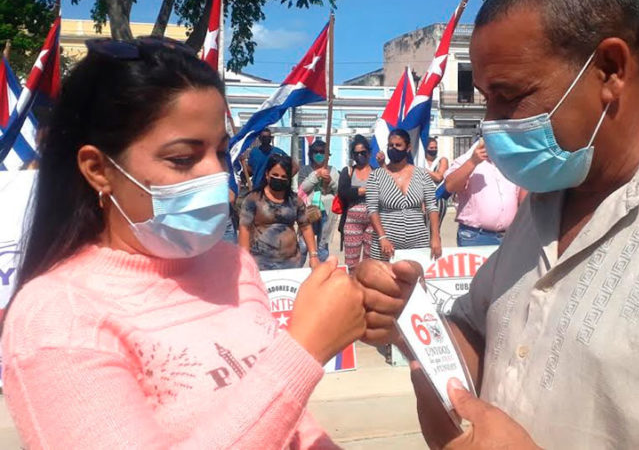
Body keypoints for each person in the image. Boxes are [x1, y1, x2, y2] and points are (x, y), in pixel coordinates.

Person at [356, 0, 639, 448]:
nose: (491, 123)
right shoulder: (543, 203)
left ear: (609, 69)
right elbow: (482, 336)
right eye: (483, 97)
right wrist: (416, 324)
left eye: (510, 94)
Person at [1, 37, 367, 449]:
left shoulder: (232, 266)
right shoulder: (57, 317)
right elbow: (282, 385)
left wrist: (366, 310)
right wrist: (304, 349)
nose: (215, 175)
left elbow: (294, 428)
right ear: (98, 169)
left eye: (221, 152)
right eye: (182, 158)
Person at [366, 129, 441, 261]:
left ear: (408, 148)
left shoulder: (422, 175)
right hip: (385, 246)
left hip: (418, 243)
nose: (393, 148)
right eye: (390, 145)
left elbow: (431, 207)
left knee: (416, 280)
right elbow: (372, 210)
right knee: (384, 280)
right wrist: (383, 238)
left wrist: (435, 235)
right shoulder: (376, 175)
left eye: (398, 145)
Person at [239, 154, 320, 270]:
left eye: (283, 177)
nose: (279, 179)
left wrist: (313, 255)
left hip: (291, 262)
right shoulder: (253, 199)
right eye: (275, 175)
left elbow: (306, 226)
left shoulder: (295, 200)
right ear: (267, 174)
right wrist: (244, 259)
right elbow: (244, 229)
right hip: (260, 263)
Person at [444, 137, 524, 246]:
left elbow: (522, 197)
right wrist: (473, 162)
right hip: (476, 237)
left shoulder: (511, 163)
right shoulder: (466, 160)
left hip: (510, 236)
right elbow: (450, 186)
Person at [337, 135, 374, 272]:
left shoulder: (376, 172)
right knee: (351, 262)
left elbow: (382, 192)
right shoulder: (348, 171)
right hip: (352, 221)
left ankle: (367, 290)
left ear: (369, 153)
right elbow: (343, 192)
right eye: (356, 153)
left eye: (363, 153)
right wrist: (362, 191)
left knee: (370, 261)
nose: (360, 156)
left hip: (373, 222)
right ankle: (352, 289)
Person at [298, 139, 339, 262]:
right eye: (316, 152)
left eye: (322, 152)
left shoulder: (333, 170)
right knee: (303, 245)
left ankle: (321, 273)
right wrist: (316, 175)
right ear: (311, 154)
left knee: (322, 245)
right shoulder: (305, 170)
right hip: (308, 210)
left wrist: (330, 181)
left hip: (326, 211)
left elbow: (338, 190)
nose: (319, 154)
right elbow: (303, 188)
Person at [424, 137, 450, 227]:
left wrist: (423, 171)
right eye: (431, 148)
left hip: (438, 198)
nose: (434, 150)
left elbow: (439, 177)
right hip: (422, 199)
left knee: (434, 229)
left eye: (435, 148)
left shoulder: (442, 160)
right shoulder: (420, 160)